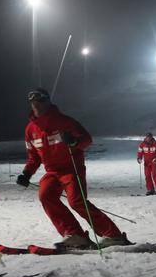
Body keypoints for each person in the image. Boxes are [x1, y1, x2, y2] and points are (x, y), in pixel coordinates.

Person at [16, 89, 130, 248]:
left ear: (47, 102)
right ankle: (75, 235)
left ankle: (113, 235)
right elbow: (34, 156)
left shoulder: (64, 122)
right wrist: (26, 174)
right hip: (52, 172)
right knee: (45, 195)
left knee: (76, 201)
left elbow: (86, 140)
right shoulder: (30, 130)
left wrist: (75, 142)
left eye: (40, 103)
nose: (37, 107)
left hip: (71, 169)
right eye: (34, 104)